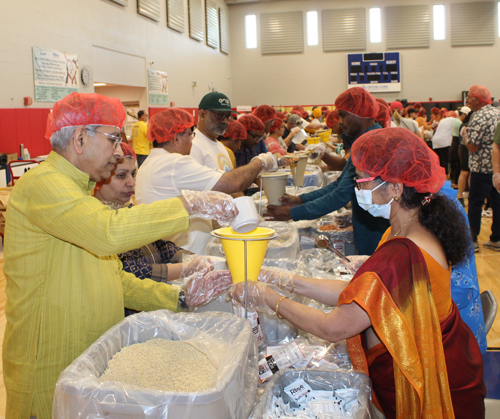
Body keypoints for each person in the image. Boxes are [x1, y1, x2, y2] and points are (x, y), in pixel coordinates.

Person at [2, 93, 237, 419]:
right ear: (81, 138)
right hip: (48, 363)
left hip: (90, 356)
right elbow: (107, 233)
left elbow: (113, 278)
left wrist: (179, 298)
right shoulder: (44, 185)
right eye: (113, 139)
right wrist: (189, 205)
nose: (118, 152)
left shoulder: (78, 192)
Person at [230, 128, 486, 419]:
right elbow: (364, 294)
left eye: (363, 181)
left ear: (395, 187)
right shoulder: (413, 224)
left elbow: (334, 327)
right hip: (440, 358)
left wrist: (270, 298)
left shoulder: (402, 253)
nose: (357, 188)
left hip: (430, 381)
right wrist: (286, 280)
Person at [265, 87, 390, 255]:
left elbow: (340, 195)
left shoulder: (371, 144)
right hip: (369, 227)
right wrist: (300, 199)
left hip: (376, 232)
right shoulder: (365, 141)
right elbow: (339, 185)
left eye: (343, 115)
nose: (339, 121)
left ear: (359, 113)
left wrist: (292, 212)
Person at [136, 109, 278, 254]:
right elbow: (232, 182)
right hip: (184, 257)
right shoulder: (172, 163)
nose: (192, 140)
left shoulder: (150, 164)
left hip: (176, 254)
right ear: (176, 138)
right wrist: (260, 162)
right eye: (190, 134)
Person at [464, 85, 500, 251]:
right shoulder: (497, 113)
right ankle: (496, 238)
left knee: (475, 203)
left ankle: (472, 240)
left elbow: (472, 147)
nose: (467, 100)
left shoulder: (478, 117)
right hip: (497, 169)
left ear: (477, 100)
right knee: (497, 203)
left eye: (470, 97)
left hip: (481, 168)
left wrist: (465, 137)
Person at [190, 91, 236, 172]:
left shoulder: (220, 147)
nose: (225, 121)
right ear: (202, 115)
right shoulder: (193, 146)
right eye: (220, 115)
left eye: (227, 116)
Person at [450, 107, 471, 188]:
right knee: (460, 167)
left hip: (455, 142)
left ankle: (456, 183)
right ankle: (458, 185)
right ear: (463, 114)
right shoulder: (460, 123)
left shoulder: (456, 121)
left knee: (457, 165)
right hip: (459, 144)